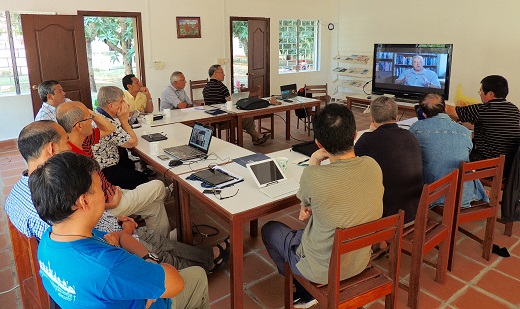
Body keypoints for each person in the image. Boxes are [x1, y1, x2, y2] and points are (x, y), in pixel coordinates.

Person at [5, 120, 229, 273]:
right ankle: (199, 268)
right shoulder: (54, 190)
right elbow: (78, 244)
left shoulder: (17, 193)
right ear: (52, 149)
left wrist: (117, 221)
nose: (69, 147)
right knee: (157, 247)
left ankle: (206, 256)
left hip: (111, 227)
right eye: (65, 141)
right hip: (112, 248)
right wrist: (124, 231)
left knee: (155, 238)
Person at [31, 152, 209, 308]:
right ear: (84, 201)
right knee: (197, 275)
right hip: (151, 295)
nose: (104, 193)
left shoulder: (49, 241)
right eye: (99, 188)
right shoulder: (107, 264)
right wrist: (151, 262)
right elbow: (175, 283)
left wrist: (134, 252)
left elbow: (122, 237)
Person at [261, 103, 383, 308]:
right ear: (355, 135)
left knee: (270, 229)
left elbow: (305, 201)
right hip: (359, 261)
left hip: (321, 270)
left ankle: (303, 286)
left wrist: (313, 161)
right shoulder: (373, 165)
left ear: (318, 144)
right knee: (313, 228)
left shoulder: (314, 176)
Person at [56, 102, 171, 237]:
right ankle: (169, 194)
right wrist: (108, 205)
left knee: (155, 207)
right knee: (158, 186)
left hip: (111, 192)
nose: (92, 121)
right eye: (89, 118)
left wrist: (91, 113)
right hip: (107, 207)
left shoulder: (84, 139)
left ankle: (159, 242)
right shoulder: (71, 159)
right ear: (79, 126)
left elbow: (110, 128)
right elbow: (78, 204)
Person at [410, 93, 488, 207]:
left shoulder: (416, 128)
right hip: (464, 193)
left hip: (434, 194)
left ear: (424, 114)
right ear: (445, 108)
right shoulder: (465, 132)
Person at [354, 97, 423, 223]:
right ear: (396, 117)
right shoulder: (410, 135)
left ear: (371, 118)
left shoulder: (367, 140)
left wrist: (371, 131)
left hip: (389, 215)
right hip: (415, 210)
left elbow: (351, 166)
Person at [446, 75, 520, 178]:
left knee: (452, 152)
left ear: (490, 94)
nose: (480, 94)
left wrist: (432, 102)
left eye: (480, 91)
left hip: (488, 167)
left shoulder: (483, 109)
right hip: (509, 169)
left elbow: (451, 110)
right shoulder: (514, 109)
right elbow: (493, 128)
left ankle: (454, 186)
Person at [92, 86, 148, 189]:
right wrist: (124, 120)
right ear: (111, 106)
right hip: (104, 170)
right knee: (142, 179)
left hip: (102, 163)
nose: (126, 105)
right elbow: (132, 142)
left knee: (129, 163)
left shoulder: (98, 114)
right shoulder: (105, 123)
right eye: (121, 101)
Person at [203, 64, 270, 145]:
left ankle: (256, 137)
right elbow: (230, 102)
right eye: (222, 72)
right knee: (246, 117)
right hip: (224, 117)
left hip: (211, 115)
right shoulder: (221, 87)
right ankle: (256, 136)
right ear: (215, 74)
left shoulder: (206, 87)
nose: (224, 74)